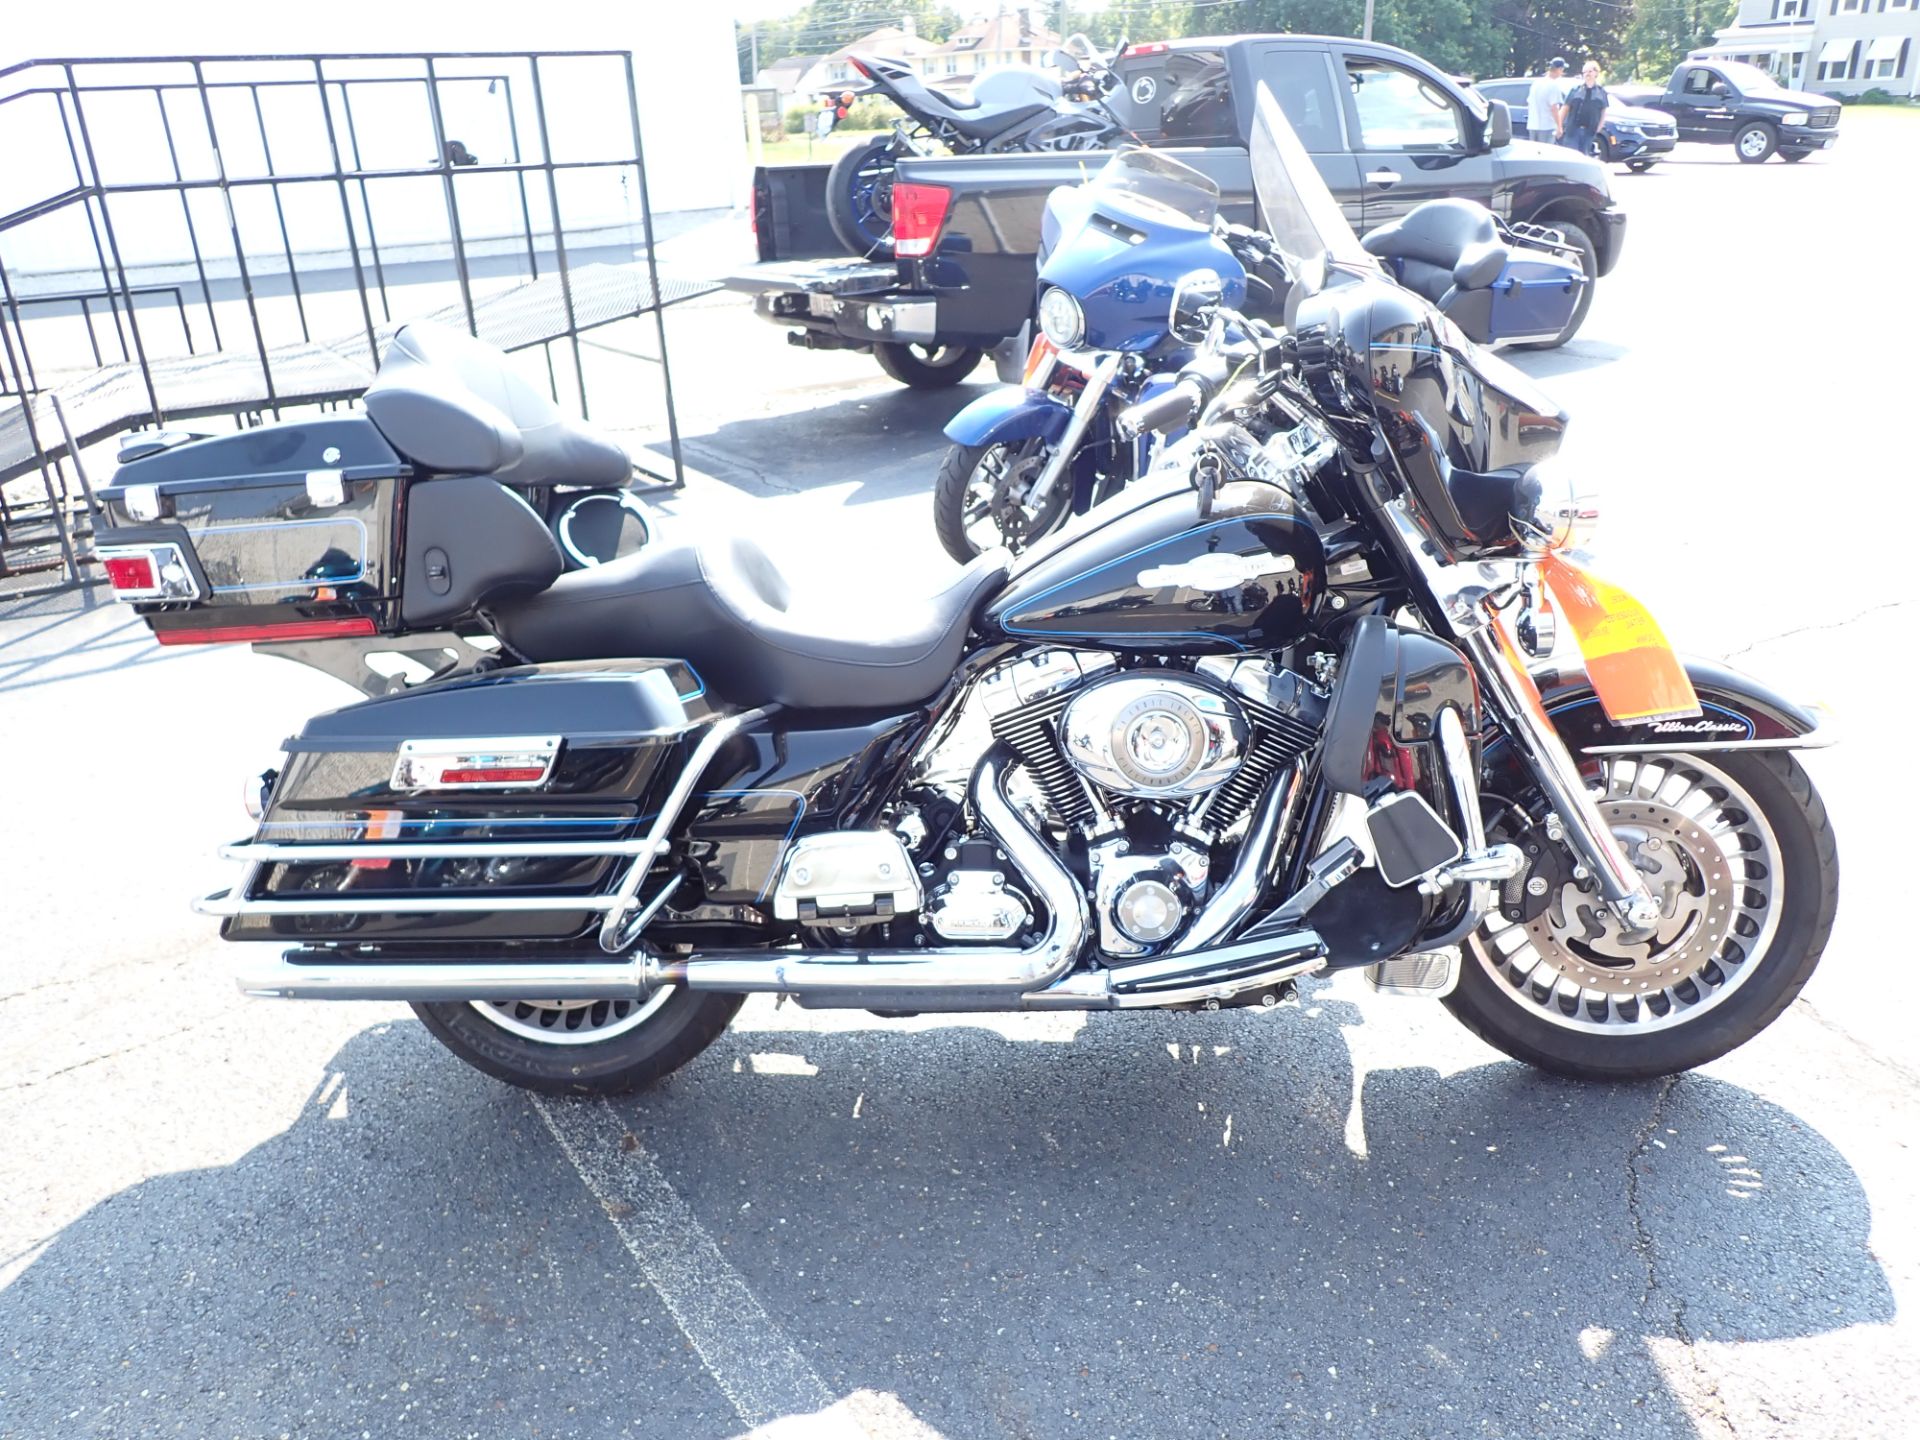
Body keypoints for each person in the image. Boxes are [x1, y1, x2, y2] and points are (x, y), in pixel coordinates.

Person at [1561, 61, 1609, 157]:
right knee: (1571, 156)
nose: (1587, 74)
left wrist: (1599, 127)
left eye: (1590, 71)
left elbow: (1604, 111)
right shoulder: (1575, 89)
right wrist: (1559, 126)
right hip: (1572, 130)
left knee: (1584, 156)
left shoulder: (1601, 91)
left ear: (1596, 73)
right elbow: (1565, 108)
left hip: (1590, 131)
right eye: (1585, 72)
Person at [1527, 57, 1568, 144]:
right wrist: (1559, 126)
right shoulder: (1553, 85)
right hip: (1547, 126)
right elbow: (1554, 108)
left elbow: (1529, 103)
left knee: (1533, 154)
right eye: (1562, 69)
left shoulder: (1536, 83)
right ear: (1559, 69)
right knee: (1545, 153)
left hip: (1532, 125)